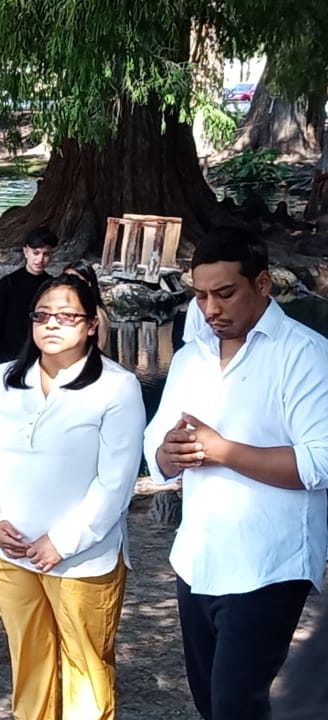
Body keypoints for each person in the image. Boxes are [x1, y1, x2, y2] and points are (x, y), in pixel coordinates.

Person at [144, 229, 328, 720]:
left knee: (235, 706)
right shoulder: (191, 356)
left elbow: (320, 462)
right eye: (201, 295)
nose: (211, 309)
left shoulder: (305, 354)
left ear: (263, 284)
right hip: (197, 557)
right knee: (209, 702)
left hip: (270, 563)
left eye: (224, 293)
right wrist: (167, 452)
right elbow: (156, 446)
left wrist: (222, 450)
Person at [0, 274, 145, 720]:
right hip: (9, 550)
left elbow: (116, 482)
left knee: (86, 667)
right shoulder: (8, 379)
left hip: (82, 558)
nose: (51, 324)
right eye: (42, 315)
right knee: (29, 660)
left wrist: (62, 542)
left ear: (92, 324)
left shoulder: (117, 386)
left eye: (67, 316)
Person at [0, 226, 58, 363]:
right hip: (10, 356)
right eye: (36, 253)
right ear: (26, 252)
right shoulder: (8, 283)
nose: (40, 259)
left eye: (46, 254)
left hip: (41, 357)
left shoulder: (52, 285)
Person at [63, 261, 110, 353]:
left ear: (89, 284)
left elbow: (100, 346)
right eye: (66, 278)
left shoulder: (97, 313)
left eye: (75, 279)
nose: (69, 284)